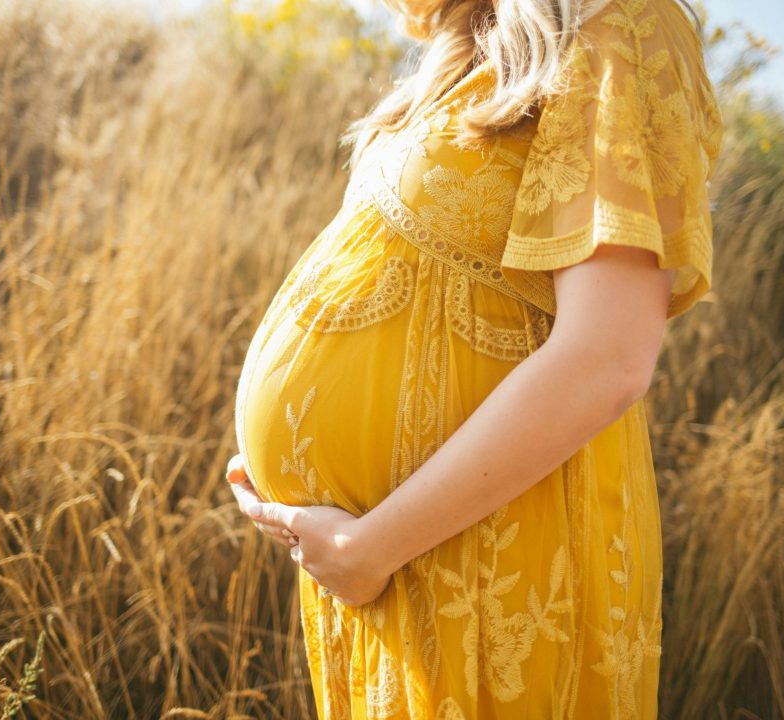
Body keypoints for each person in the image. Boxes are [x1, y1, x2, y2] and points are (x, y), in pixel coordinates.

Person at [227, 0, 723, 716]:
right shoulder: (467, 48)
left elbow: (608, 356)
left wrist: (371, 548)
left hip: (493, 557)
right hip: (391, 557)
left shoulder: (625, 25)